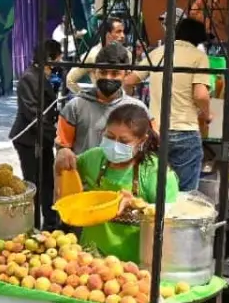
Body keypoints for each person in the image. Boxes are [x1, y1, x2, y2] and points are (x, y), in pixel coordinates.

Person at [58, 104, 179, 263]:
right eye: (109, 136)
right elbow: (64, 196)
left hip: (134, 264)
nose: (114, 144)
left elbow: (172, 221)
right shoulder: (93, 158)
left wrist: (138, 205)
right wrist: (62, 157)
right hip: (90, 259)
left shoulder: (157, 172)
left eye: (123, 140)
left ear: (142, 140)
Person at [124, 17, 212, 193]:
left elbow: (129, 81)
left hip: (156, 132)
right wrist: (207, 114)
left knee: (155, 191)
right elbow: (201, 95)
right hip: (185, 131)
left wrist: (132, 98)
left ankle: (158, 221)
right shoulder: (199, 57)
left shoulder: (158, 53)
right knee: (184, 195)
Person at [55, 43, 147, 172]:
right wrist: (63, 151)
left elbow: (148, 148)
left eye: (115, 73)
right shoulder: (75, 107)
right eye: (103, 72)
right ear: (94, 72)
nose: (108, 78)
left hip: (124, 185)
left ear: (126, 74)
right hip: (84, 184)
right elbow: (63, 145)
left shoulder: (138, 110)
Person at [11, 40, 63, 229]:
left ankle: (50, 221)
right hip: (29, 139)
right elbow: (33, 113)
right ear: (50, 58)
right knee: (34, 183)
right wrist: (56, 135)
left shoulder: (47, 75)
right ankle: (31, 224)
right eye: (59, 56)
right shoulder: (29, 77)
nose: (61, 60)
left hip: (44, 138)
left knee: (47, 179)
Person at [64, 16, 126, 94]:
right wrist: (89, 99)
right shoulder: (93, 54)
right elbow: (70, 80)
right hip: (103, 103)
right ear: (107, 34)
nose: (123, 35)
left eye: (123, 32)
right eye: (118, 32)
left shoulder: (125, 53)